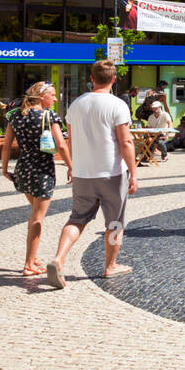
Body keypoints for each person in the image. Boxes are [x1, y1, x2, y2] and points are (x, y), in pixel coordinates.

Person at [47, 59, 137, 288]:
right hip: (112, 173)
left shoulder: (75, 104)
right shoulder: (117, 105)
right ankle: (110, 265)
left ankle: (58, 258)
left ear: (91, 78)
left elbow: (71, 138)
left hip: (82, 173)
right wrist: (133, 173)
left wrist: (72, 166)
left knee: (77, 218)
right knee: (115, 222)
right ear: (114, 79)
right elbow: (125, 141)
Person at [0, 81, 71, 276]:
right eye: (53, 95)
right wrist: (71, 166)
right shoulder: (48, 116)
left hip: (23, 168)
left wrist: (5, 169)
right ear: (41, 97)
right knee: (37, 218)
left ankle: (33, 257)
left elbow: (6, 146)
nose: (55, 99)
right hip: (42, 170)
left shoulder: (15, 115)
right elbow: (61, 146)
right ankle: (29, 264)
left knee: (35, 213)